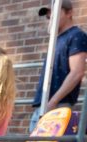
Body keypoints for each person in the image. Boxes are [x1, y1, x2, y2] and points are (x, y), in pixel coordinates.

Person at [32, 0, 87, 132]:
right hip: (45, 105)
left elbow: (77, 72)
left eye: (55, 12)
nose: (50, 17)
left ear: (69, 13)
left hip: (57, 107)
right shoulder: (55, 39)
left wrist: (53, 102)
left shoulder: (76, 35)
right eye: (48, 16)